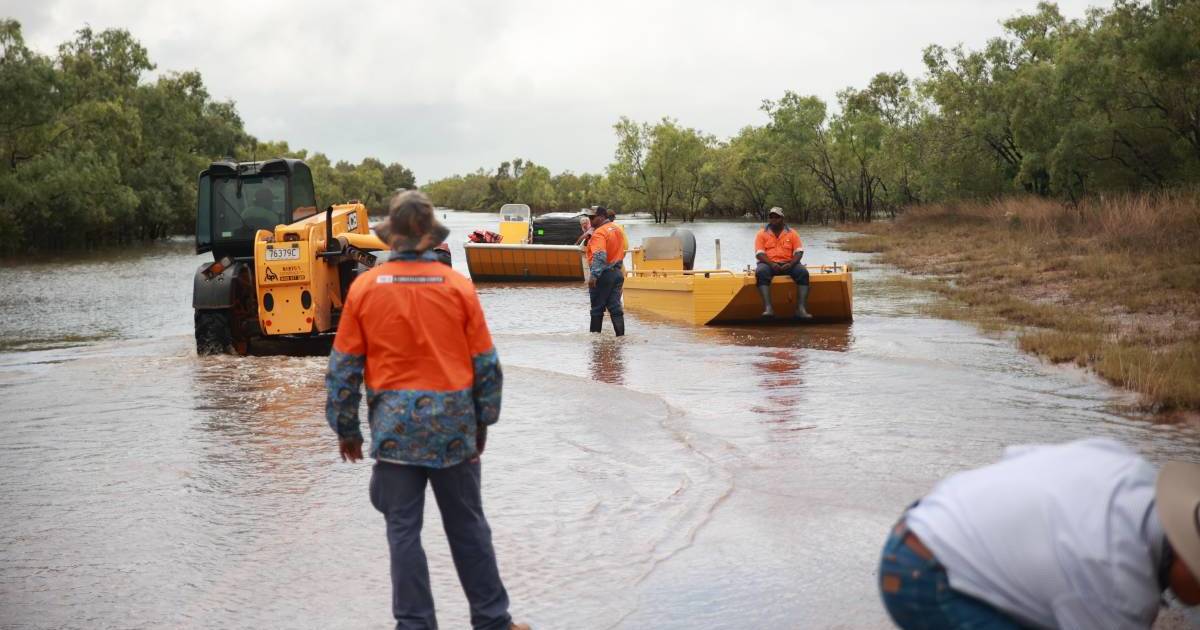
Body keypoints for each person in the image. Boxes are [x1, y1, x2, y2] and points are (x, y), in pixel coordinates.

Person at [326, 191, 528, 630]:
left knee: (403, 533)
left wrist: (346, 430)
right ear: (431, 238)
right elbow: (487, 368)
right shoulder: (458, 288)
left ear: (391, 239)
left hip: (395, 432)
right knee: (468, 528)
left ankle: (415, 624)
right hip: (454, 429)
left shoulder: (363, 289)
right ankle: (493, 621)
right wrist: (483, 423)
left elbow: (343, 370)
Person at [878, 438, 1200, 629]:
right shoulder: (1119, 586)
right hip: (919, 573)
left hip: (929, 514)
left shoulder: (1132, 469)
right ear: (1184, 558)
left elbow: (1017, 456)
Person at [754, 207, 810, 319]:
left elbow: (799, 252)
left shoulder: (792, 233)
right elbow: (759, 253)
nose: (774, 219)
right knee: (761, 272)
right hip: (768, 264)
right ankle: (768, 308)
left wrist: (791, 264)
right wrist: (771, 264)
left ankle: (800, 309)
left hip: (789, 263)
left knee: (803, 273)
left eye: (777, 217)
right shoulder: (761, 234)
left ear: (782, 218)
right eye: (771, 217)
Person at [585, 205, 625, 336]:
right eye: (588, 217)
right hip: (617, 274)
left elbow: (600, 255)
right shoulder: (616, 229)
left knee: (597, 309)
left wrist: (594, 276)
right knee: (615, 308)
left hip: (603, 275)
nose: (589, 220)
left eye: (592, 217)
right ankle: (620, 339)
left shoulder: (599, 233)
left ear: (601, 217)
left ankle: (595, 344)